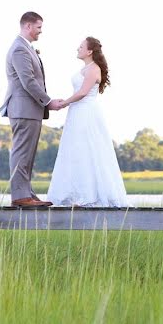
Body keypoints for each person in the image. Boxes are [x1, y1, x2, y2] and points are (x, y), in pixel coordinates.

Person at [47, 37, 127, 207]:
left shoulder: (93, 69)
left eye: (81, 46)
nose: (78, 48)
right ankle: (73, 193)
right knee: (75, 149)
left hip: (85, 112)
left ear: (89, 51)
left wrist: (64, 103)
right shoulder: (86, 68)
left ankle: (90, 195)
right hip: (77, 112)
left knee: (87, 149)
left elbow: (83, 92)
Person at [0, 12, 66, 208]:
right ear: (28, 26)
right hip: (23, 108)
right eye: (38, 27)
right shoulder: (20, 49)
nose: (40, 31)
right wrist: (48, 102)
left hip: (29, 109)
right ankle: (20, 196)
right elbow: (27, 81)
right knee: (22, 152)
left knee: (28, 154)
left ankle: (26, 192)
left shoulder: (25, 48)